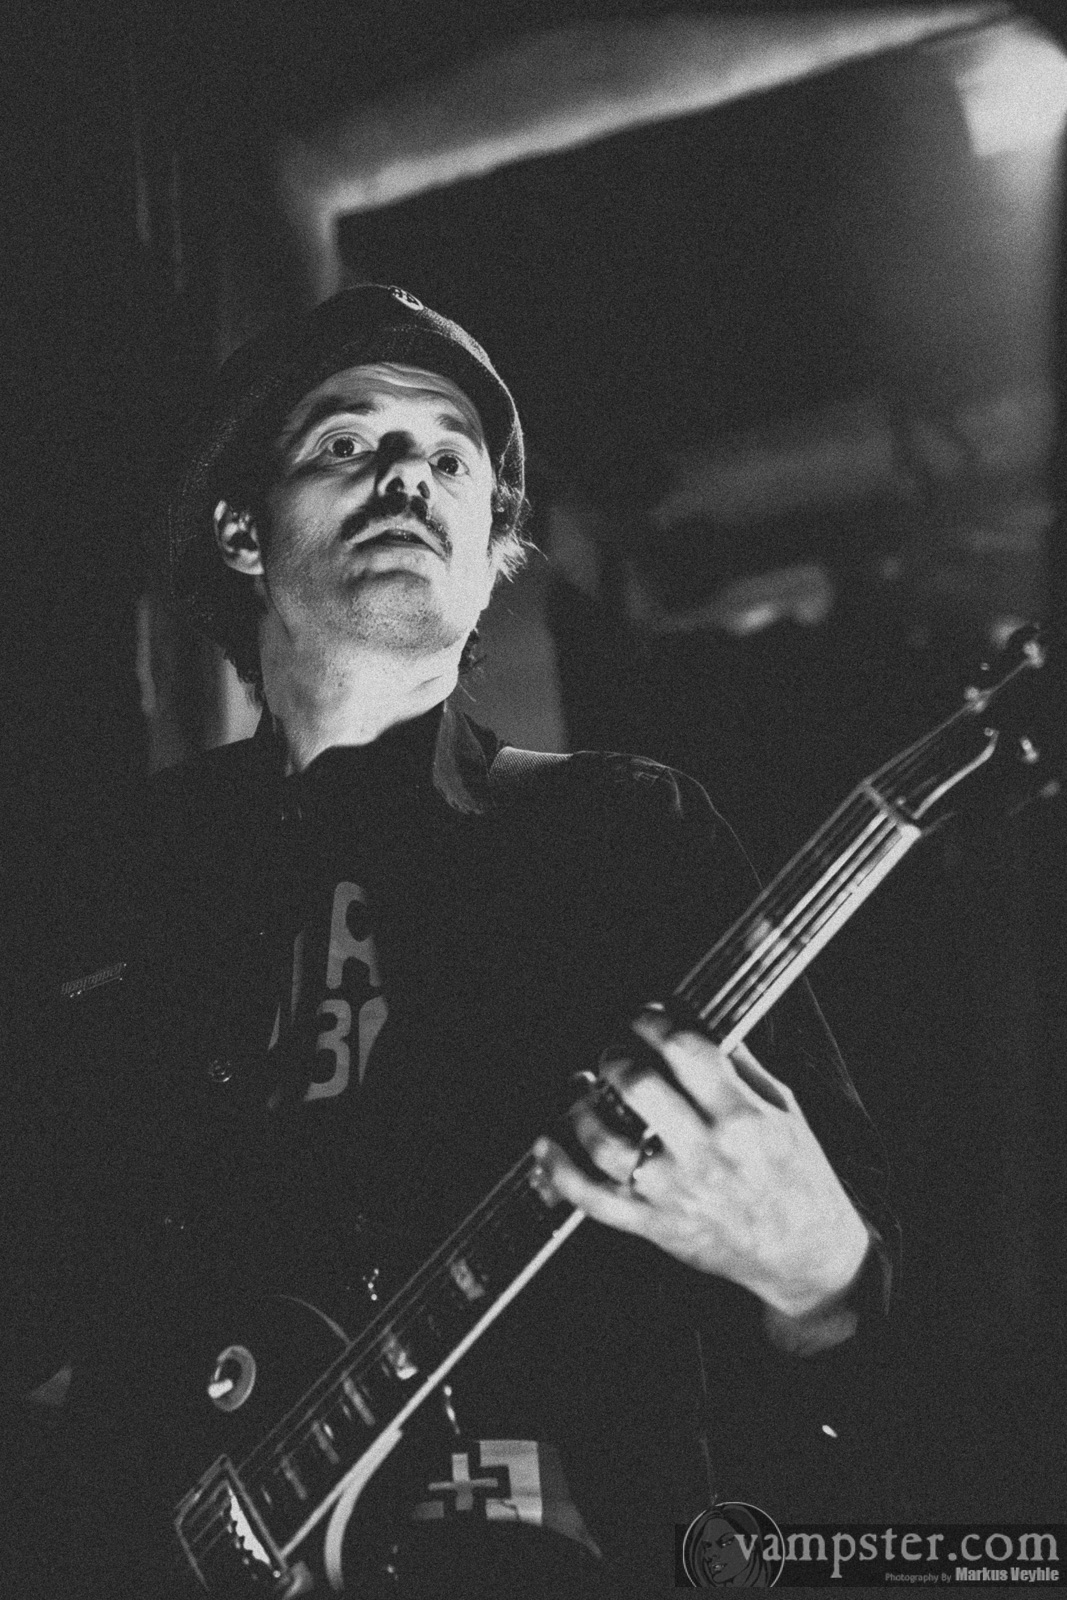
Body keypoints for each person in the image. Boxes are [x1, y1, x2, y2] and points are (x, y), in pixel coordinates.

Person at [1, 285, 890, 1599]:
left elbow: (875, 1323)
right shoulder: (114, 878)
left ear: (490, 557)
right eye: (349, 442)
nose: (409, 474)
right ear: (243, 533)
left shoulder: (622, 831)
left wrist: (820, 1271)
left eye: (451, 458)